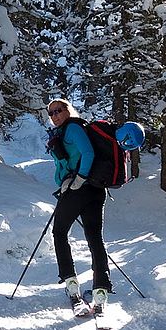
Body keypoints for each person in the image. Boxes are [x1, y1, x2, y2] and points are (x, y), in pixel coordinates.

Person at [45, 98, 113, 312]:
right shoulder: (73, 129)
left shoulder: (72, 128)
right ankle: (100, 292)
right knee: (94, 238)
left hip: (78, 189)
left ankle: (71, 284)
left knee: (59, 233)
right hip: (95, 190)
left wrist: (78, 179)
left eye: (58, 110)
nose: (55, 115)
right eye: (51, 113)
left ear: (68, 110)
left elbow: (88, 153)